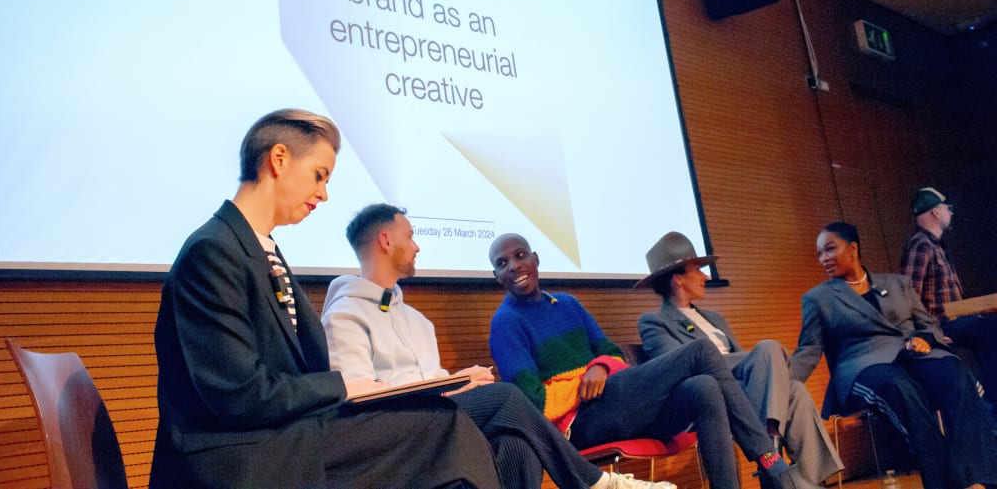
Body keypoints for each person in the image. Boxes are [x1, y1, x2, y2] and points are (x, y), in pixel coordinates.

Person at [151, 109, 500, 489]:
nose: (324, 193)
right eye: (319, 175)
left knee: (442, 419)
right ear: (279, 159)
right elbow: (240, 395)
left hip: (283, 434)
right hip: (234, 456)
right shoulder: (213, 251)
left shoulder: (260, 248)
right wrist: (345, 386)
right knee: (441, 427)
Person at [322, 203, 674, 489]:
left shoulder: (417, 320)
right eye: (411, 236)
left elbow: (435, 383)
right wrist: (443, 387)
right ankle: (594, 482)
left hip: (439, 419)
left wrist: (461, 382)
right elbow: (354, 396)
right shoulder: (345, 313)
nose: (417, 246)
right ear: (385, 241)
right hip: (393, 431)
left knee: (517, 445)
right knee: (505, 395)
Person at [488, 233, 798, 489]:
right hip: (580, 424)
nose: (514, 266)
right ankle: (770, 461)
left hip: (616, 404)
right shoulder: (505, 323)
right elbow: (532, 402)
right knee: (701, 351)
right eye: (502, 264)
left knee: (704, 387)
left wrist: (601, 366)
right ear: (496, 276)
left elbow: (612, 352)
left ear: (536, 259)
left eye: (520, 255)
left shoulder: (567, 304)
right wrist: (586, 379)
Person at [791, 221, 997, 489]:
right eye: (820, 253)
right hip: (863, 367)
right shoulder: (818, 299)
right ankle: (944, 482)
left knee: (954, 372)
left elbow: (928, 324)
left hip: (912, 355)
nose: (824, 258)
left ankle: (975, 481)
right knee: (899, 387)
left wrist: (924, 338)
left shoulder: (898, 283)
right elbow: (808, 348)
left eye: (830, 249)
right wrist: (783, 385)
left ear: (853, 249)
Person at [636, 231, 842, 489]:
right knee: (769, 351)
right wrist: (761, 358)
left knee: (794, 389)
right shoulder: (654, 323)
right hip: (710, 397)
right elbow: (680, 368)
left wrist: (762, 362)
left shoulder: (714, 318)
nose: (706, 277)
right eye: (697, 270)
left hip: (745, 392)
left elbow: (755, 369)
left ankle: (803, 480)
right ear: (678, 279)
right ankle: (770, 453)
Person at [900, 186, 997, 405]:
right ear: (935, 212)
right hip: (943, 324)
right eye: (948, 208)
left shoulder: (937, 247)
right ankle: (991, 406)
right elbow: (908, 296)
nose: (951, 213)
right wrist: (927, 334)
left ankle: (988, 404)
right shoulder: (921, 246)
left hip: (957, 321)